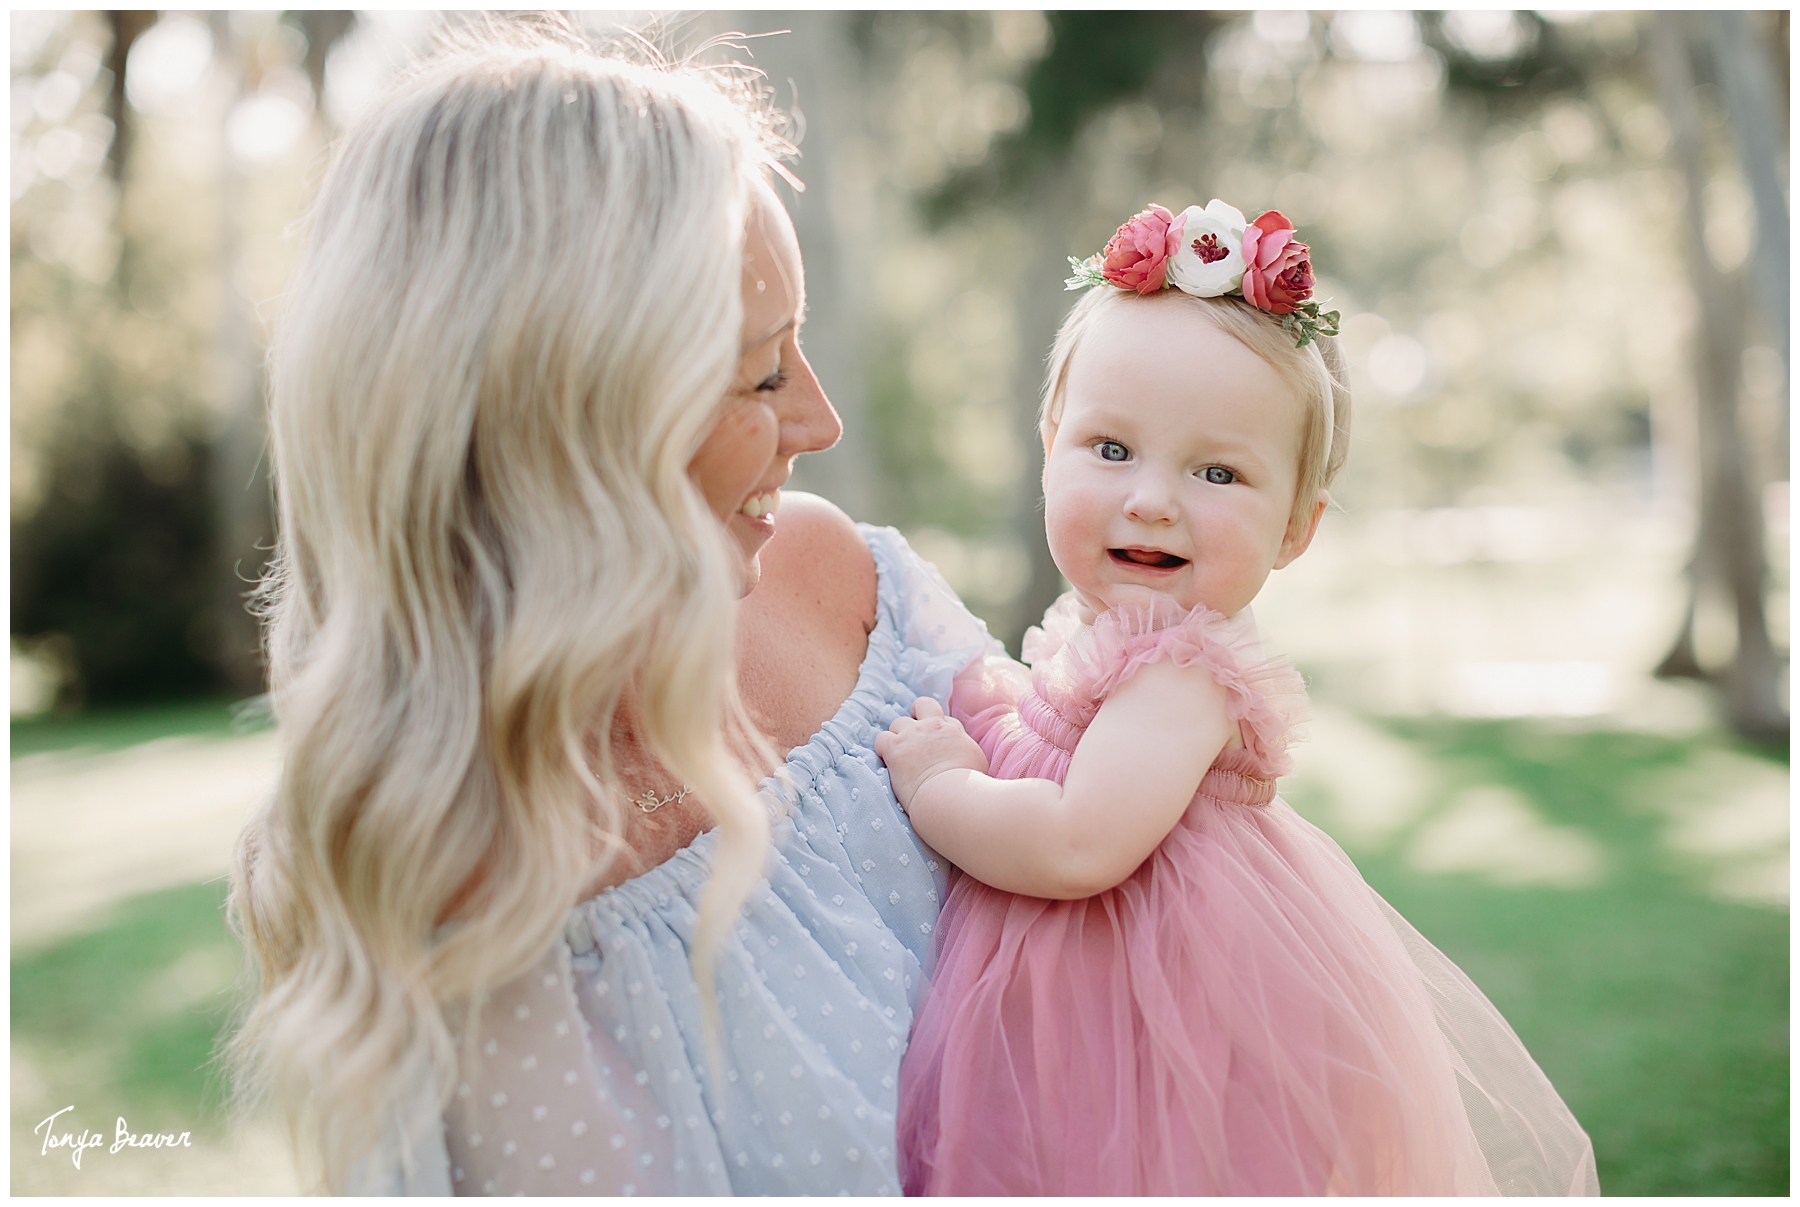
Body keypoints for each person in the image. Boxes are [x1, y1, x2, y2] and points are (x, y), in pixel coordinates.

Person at [228, 24, 996, 1195]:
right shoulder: (442, 888)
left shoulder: (851, 591)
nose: (821, 424)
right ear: (571, 421)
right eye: (764, 371)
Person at [880, 202, 1600, 1195]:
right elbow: (1058, 748)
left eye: (1217, 470)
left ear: (1296, 527)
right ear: (1052, 444)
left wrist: (940, 786)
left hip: (1142, 1014)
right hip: (1069, 990)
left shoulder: (1182, 673)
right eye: (1111, 448)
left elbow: (1076, 842)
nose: (1153, 497)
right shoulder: (1102, 639)